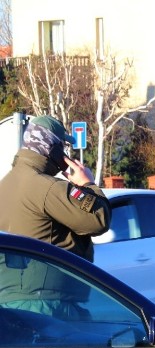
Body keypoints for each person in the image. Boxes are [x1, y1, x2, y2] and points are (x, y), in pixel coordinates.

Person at [0, 115, 111, 319]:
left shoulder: (5, 185)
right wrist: (87, 185)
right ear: (52, 149)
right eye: (63, 148)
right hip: (48, 306)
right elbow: (99, 219)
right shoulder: (48, 188)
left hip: (9, 301)